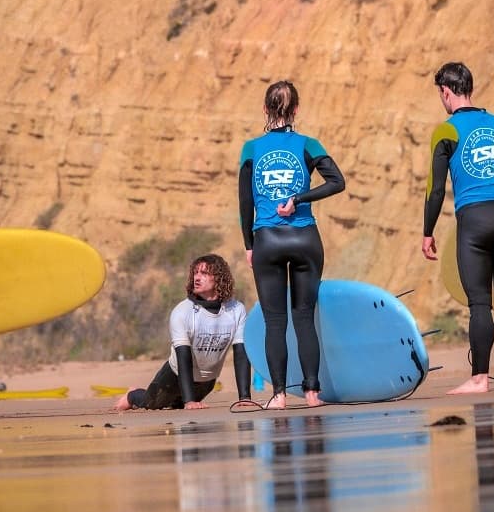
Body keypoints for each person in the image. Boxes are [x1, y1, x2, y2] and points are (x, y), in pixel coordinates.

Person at [422, 62, 494, 394]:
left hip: (475, 221)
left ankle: (480, 378)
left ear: (446, 91)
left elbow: (436, 189)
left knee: (480, 303)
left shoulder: (446, 131)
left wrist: (427, 232)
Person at [238, 80, 345, 409]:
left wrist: (249, 244)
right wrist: (300, 197)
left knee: (274, 321)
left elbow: (245, 203)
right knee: (304, 318)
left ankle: (279, 395)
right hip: (305, 238)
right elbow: (337, 182)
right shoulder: (308, 144)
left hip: (267, 239)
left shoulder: (251, 149)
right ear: (296, 110)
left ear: (265, 110)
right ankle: (312, 393)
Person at [115, 254, 254, 411]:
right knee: (152, 404)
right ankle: (133, 394)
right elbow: (183, 357)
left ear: (219, 278)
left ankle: (184, 399)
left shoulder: (236, 309)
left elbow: (241, 353)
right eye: (195, 273)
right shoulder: (183, 311)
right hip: (174, 376)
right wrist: (189, 401)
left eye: (204, 273)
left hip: (207, 381)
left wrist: (244, 398)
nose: (197, 278)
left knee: (177, 406)